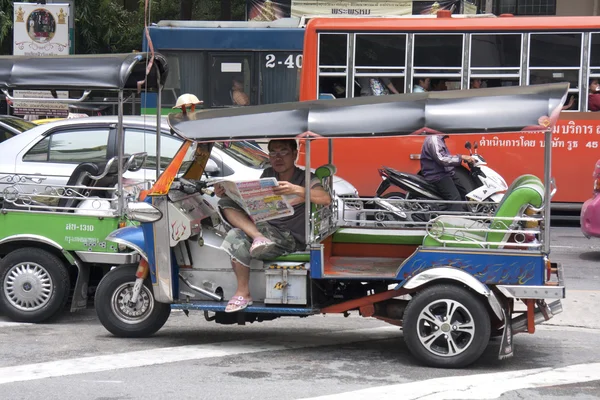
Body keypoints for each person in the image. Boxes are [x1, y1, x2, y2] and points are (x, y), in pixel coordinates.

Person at [215, 139, 332, 312]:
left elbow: (325, 198)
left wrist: (296, 189)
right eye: (273, 153)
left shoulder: (305, 177)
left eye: (283, 152)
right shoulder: (269, 174)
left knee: (237, 236)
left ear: (294, 154)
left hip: (288, 237)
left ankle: (257, 238)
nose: (277, 157)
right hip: (265, 229)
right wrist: (228, 193)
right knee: (227, 211)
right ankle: (243, 292)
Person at [420, 134, 473, 212]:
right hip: (437, 175)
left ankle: (465, 218)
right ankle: (453, 221)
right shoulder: (434, 139)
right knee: (455, 199)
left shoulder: (439, 139)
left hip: (447, 173)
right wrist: (461, 157)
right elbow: (441, 159)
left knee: (464, 195)